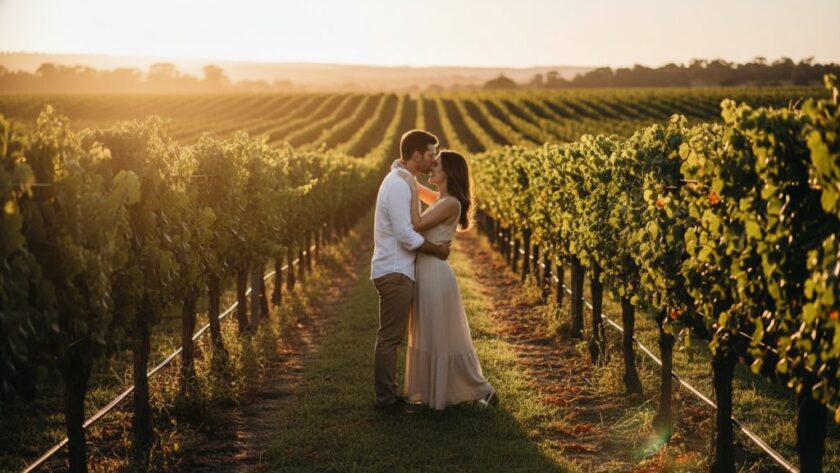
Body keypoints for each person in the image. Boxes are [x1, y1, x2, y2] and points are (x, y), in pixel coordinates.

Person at [399, 149, 498, 410]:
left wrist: (408, 182)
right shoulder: (442, 199)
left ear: (449, 173)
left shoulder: (451, 203)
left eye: (438, 164)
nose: (432, 166)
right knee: (430, 333)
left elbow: (416, 223)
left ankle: (481, 389)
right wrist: (407, 175)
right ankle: (435, 393)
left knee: (441, 336)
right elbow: (422, 192)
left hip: (435, 273)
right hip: (428, 269)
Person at [371, 129, 450, 411]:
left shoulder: (404, 180)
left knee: (392, 337)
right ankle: (386, 401)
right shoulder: (397, 184)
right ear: (416, 155)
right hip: (395, 270)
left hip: (398, 269)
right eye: (430, 155)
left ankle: (389, 396)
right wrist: (438, 250)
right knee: (390, 337)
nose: (432, 160)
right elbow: (405, 234)